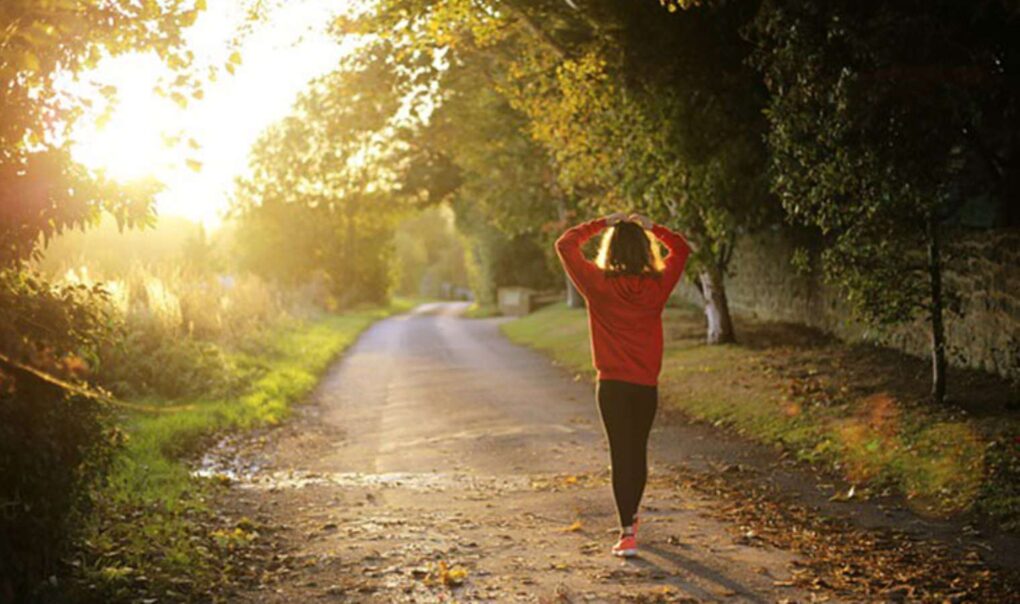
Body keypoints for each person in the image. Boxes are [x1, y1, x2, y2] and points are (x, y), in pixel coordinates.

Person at [554, 212, 692, 558]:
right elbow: (682, 248)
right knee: (637, 451)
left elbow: (565, 244)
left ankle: (627, 532)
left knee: (621, 454)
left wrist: (602, 223)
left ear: (610, 249)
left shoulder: (597, 284)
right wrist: (653, 227)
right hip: (645, 385)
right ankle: (631, 518)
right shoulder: (658, 285)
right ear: (646, 251)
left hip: (612, 386)